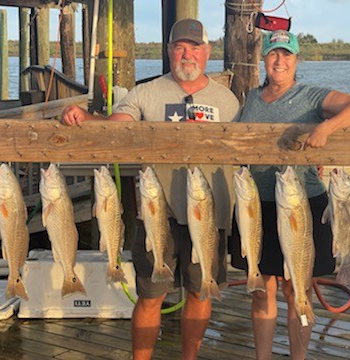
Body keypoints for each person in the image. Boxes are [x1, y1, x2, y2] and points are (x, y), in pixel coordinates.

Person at [62, 19, 240, 360]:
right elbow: (118, 128)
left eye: (195, 47)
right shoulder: (146, 92)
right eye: (180, 47)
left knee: (200, 292)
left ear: (208, 52)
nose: (187, 54)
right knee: (150, 294)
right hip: (159, 210)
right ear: (169, 50)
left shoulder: (228, 100)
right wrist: (85, 117)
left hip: (209, 212)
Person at [230, 30, 350, 360]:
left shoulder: (311, 95)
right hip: (258, 204)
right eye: (273, 54)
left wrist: (325, 128)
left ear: (296, 60)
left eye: (287, 54)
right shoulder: (249, 99)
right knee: (262, 288)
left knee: (298, 288)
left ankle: (298, 357)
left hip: (302, 205)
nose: (279, 60)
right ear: (263, 58)